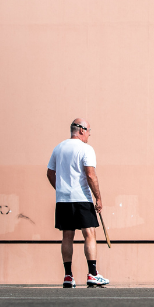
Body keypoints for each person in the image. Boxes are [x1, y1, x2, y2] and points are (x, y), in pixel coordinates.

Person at [46, 119, 109, 288]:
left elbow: (50, 173)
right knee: (89, 233)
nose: (89, 134)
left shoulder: (58, 148)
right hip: (82, 198)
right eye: (88, 130)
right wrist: (99, 198)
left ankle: (68, 276)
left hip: (63, 199)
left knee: (67, 235)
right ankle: (93, 274)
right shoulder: (86, 149)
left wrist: (60, 189)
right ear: (81, 130)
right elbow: (90, 175)